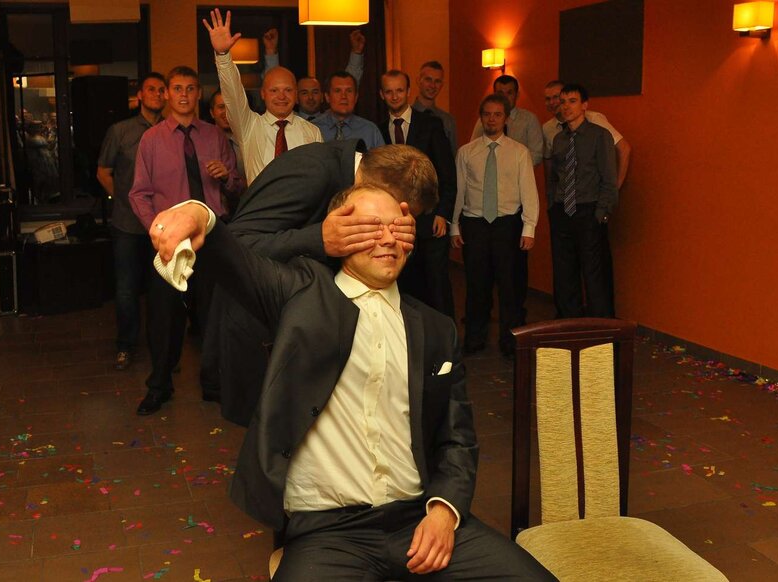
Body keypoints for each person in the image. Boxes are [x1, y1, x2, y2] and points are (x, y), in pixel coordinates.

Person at [149, 186, 556, 581]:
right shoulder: (301, 296)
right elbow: (232, 257)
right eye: (370, 227)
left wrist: (444, 511)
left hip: (418, 518)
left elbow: (458, 439)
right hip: (328, 532)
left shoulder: (436, 329)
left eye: (396, 228)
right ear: (340, 233)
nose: (387, 239)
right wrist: (197, 213)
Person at [201, 141, 430, 426]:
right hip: (264, 334)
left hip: (312, 332)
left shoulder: (357, 176)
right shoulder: (312, 170)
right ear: (381, 191)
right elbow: (234, 245)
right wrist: (319, 238)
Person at [128, 65, 240, 415]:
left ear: (198, 94)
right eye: (177, 88)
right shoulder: (152, 139)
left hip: (212, 236)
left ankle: (214, 384)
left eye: (191, 88)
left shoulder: (214, 136)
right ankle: (159, 386)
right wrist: (158, 231)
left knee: (213, 314)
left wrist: (227, 176)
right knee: (164, 316)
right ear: (167, 94)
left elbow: (237, 185)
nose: (184, 95)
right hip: (170, 241)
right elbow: (138, 193)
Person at [452, 94, 539, 358]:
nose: (492, 119)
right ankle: (475, 338)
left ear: (506, 119)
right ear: (481, 117)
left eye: (497, 114)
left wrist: (529, 228)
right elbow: (459, 190)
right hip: (475, 224)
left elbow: (529, 192)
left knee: (510, 286)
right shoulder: (466, 152)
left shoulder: (519, 152)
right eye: (487, 114)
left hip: (507, 225)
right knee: (476, 284)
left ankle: (510, 341)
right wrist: (454, 225)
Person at [97, 72, 167, 370]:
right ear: (140, 95)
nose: (157, 94)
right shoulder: (120, 131)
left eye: (161, 90)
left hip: (162, 223)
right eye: (151, 89)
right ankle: (126, 346)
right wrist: (124, 201)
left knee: (161, 288)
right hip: (127, 222)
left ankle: (162, 348)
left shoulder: (171, 130)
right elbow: (103, 172)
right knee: (127, 288)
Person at [205, 8, 322, 184]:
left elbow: (320, 177)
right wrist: (223, 56)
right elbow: (233, 94)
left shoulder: (312, 132)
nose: (281, 96)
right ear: (263, 94)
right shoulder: (249, 126)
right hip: (262, 202)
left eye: (288, 90)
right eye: (274, 91)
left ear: (296, 95)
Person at [379, 69, 456, 319]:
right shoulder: (377, 129)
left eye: (399, 90)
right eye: (389, 91)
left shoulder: (431, 125)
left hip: (431, 221)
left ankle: (448, 340)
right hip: (395, 225)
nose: (394, 96)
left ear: (408, 91)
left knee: (437, 287)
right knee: (404, 289)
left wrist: (443, 213)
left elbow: (447, 174)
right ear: (382, 94)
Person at [471, 74, 543, 326]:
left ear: (516, 95)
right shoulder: (481, 127)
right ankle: (480, 321)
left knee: (512, 277)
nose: (492, 118)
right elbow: (473, 157)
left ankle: (513, 326)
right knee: (480, 276)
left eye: (508, 92)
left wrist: (510, 166)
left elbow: (536, 155)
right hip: (480, 213)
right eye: (499, 92)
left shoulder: (527, 126)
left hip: (512, 209)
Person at [546, 84, 618, 318]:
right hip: (562, 211)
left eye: (572, 101)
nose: (566, 106)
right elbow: (554, 177)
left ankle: (600, 329)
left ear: (585, 105)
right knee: (564, 273)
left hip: (589, 211)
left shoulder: (599, 135)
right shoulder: (559, 139)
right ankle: (569, 325)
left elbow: (609, 177)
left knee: (595, 276)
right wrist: (552, 206)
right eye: (563, 102)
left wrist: (602, 212)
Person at [542, 80, 631, 189]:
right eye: (548, 99)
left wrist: (615, 188)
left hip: (593, 193)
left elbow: (624, 148)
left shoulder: (595, 120)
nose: (552, 102)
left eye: (556, 97)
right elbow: (550, 163)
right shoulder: (547, 128)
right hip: (565, 194)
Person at [312, 71, 384, 148]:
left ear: (356, 97)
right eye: (337, 91)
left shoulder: (370, 131)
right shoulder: (312, 128)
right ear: (327, 97)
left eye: (349, 91)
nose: (344, 96)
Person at [412, 60, 458, 155]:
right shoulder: (406, 116)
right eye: (428, 80)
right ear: (418, 81)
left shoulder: (448, 121)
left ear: (442, 85)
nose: (432, 85)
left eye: (437, 81)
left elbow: (453, 156)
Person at [208, 88, 248, 195]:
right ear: (212, 113)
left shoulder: (249, 141)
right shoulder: (203, 142)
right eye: (221, 107)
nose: (226, 112)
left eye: (230, 107)